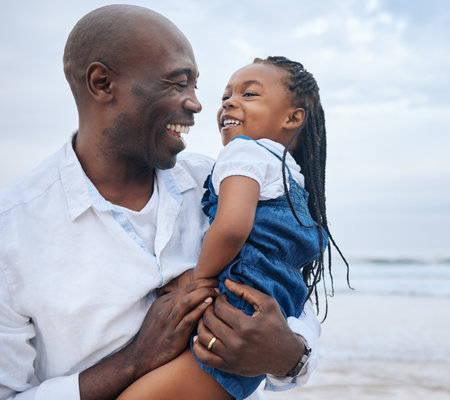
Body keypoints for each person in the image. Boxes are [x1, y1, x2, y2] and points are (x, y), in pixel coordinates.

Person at [0, 5, 321, 400]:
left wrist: (291, 355)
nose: (197, 104)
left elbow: (288, 281)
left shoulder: (221, 182)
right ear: (102, 84)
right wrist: (134, 359)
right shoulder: (12, 230)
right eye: (176, 84)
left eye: (196, 87)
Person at [117, 56, 344, 400]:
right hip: (258, 332)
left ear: (292, 118)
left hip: (228, 322)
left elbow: (231, 228)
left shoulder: (244, 154)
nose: (229, 102)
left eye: (249, 94)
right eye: (226, 96)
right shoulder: (291, 177)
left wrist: (200, 279)